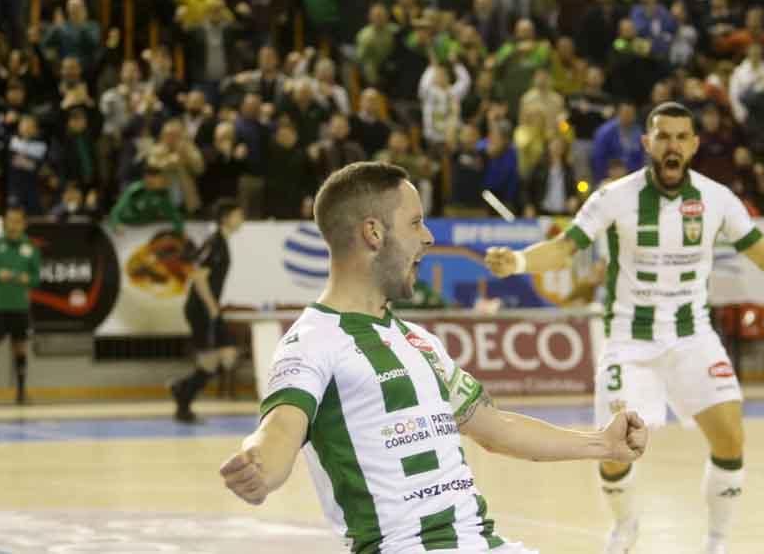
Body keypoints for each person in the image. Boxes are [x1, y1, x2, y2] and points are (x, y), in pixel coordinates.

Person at [485, 103, 764, 554]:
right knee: (614, 448)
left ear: (694, 145)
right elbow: (566, 248)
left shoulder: (717, 198)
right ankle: (625, 527)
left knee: (731, 436)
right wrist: (520, 261)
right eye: (663, 137)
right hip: (630, 339)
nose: (672, 146)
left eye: (682, 138)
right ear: (647, 143)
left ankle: (717, 544)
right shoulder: (614, 196)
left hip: (692, 336)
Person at [219, 161, 649, 553]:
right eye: (415, 222)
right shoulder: (311, 341)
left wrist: (602, 443)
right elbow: (279, 429)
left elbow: (496, 429)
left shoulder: (418, 341)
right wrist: (259, 465)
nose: (427, 236)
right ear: (374, 232)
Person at [169, 199, 244, 422]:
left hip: (207, 308)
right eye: (238, 214)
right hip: (201, 309)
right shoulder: (216, 243)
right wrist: (212, 308)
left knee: (226, 355)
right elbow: (199, 276)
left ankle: (182, 389)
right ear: (226, 218)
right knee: (213, 359)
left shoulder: (220, 242)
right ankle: (183, 398)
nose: (242, 219)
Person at [0, 206, 41, 405]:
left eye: (17, 221)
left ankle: (21, 392)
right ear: (4, 223)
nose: (13, 225)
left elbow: (36, 279)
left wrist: (26, 279)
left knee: (20, 348)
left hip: (19, 307)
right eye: (10, 221)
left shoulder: (31, 248)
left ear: (24, 224)